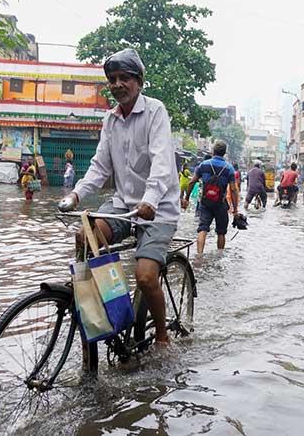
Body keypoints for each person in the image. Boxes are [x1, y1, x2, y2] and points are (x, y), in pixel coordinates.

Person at [57, 48, 179, 346]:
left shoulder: (155, 112)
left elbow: (162, 164)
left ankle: (162, 337)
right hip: (124, 204)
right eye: (112, 79)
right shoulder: (110, 120)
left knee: (146, 276)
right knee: (86, 237)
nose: (117, 84)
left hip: (158, 207)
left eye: (124, 78)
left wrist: (150, 201)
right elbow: (99, 167)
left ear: (138, 81)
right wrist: (75, 195)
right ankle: (108, 309)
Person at [183, 140, 239, 255]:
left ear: (213, 151)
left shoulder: (203, 165)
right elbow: (233, 189)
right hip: (221, 204)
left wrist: (186, 198)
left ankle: (199, 256)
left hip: (205, 203)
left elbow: (192, 182)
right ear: (224, 153)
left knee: (202, 229)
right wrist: (235, 209)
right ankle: (219, 257)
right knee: (221, 232)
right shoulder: (229, 168)